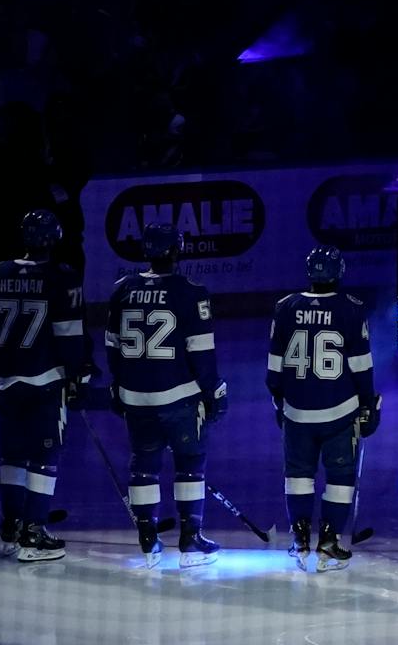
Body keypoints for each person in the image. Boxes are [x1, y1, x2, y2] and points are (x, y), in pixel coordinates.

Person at [106, 222, 226, 566]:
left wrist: (118, 387)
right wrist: (215, 392)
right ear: (177, 250)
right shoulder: (191, 291)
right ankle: (190, 541)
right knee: (190, 463)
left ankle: (148, 540)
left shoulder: (122, 289)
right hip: (179, 399)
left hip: (136, 399)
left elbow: (112, 347)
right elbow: (202, 352)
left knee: (143, 466)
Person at [0, 208, 91, 561]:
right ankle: (34, 531)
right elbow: (69, 335)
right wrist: (80, 375)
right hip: (45, 380)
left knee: (12, 455)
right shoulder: (62, 276)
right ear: (56, 238)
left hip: (7, 381)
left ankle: (11, 524)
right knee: (45, 454)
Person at [267, 245, 378, 571]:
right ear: (339, 272)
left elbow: (274, 368)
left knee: (298, 475)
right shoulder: (352, 308)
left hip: (297, 412)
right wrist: (368, 403)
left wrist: (280, 400)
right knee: (340, 476)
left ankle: (300, 539)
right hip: (339, 411)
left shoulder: (285, 307)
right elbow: (361, 366)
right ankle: (329, 543)